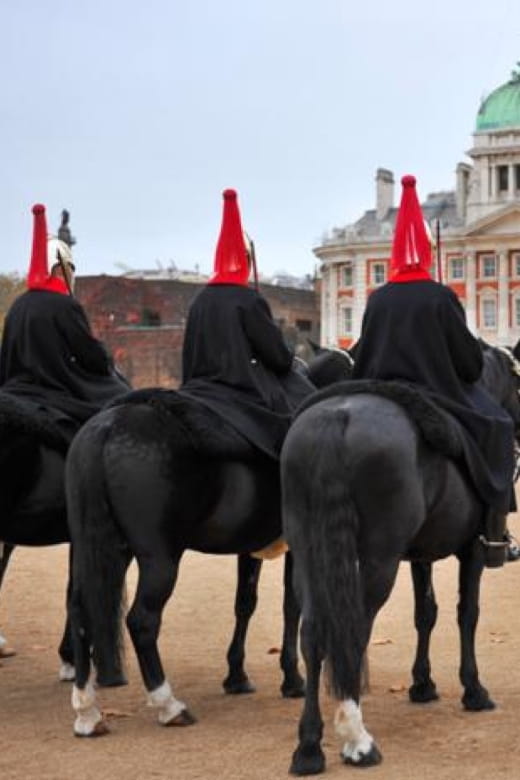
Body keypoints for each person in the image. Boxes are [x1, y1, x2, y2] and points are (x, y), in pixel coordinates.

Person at [352, 174, 517, 568]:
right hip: (435, 391)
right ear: (427, 252)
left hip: (379, 389)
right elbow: (469, 364)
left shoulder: (378, 299)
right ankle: (494, 537)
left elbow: (363, 357)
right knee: (499, 425)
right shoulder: (440, 296)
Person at [181, 188, 315, 460]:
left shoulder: (199, 300)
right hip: (242, 390)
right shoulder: (248, 300)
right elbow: (276, 358)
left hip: (197, 388)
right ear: (246, 260)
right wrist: (286, 357)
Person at [0, 204, 130, 439]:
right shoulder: (64, 305)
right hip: (56, 391)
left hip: (14, 389)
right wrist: (105, 360)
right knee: (123, 404)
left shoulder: (18, 306)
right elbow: (89, 356)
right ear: (59, 268)